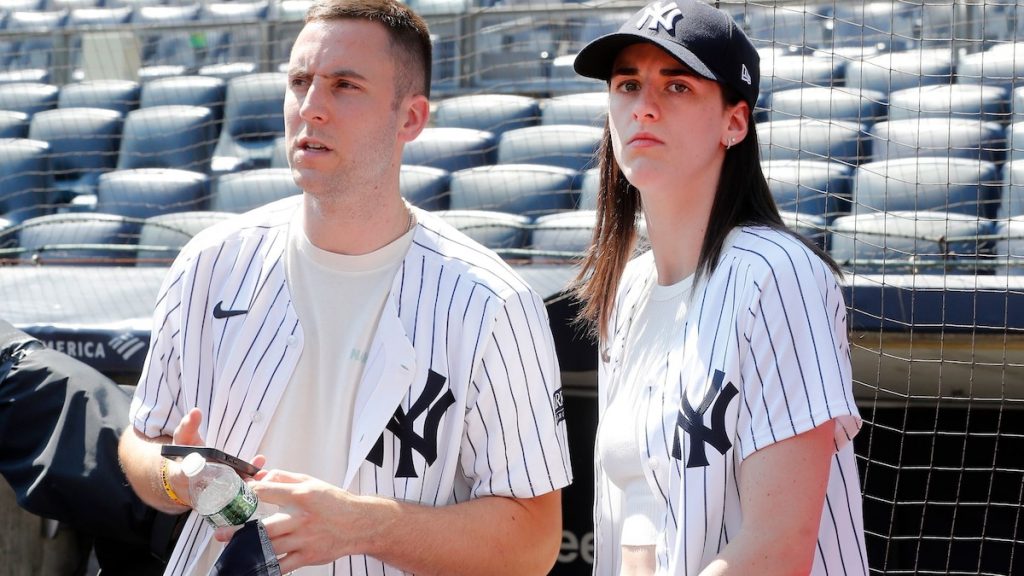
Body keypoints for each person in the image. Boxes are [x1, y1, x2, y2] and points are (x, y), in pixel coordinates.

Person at [117, 0, 572, 573]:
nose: (311, 108)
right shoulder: (209, 263)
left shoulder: (494, 304)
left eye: (344, 85)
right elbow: (140, 443)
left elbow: (532, 542)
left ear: (410, 118)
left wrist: (362, 524)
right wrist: (174, 475)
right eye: (300, 81)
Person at [570, 1, 867, 575]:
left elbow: (777, 549)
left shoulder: (778, 275)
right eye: (627, 84)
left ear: (735, 121)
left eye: (677, 87)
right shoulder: (627, 290)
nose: (645, 108)